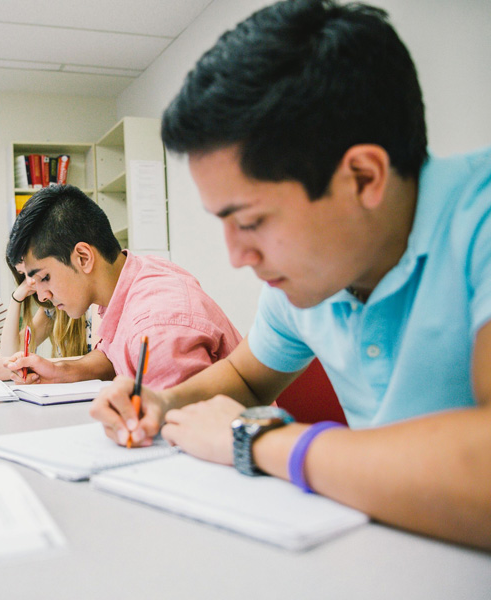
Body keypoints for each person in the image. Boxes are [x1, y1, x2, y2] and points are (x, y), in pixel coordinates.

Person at [89, 0, 491, 550]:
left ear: (363, 176)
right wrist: (162, 403)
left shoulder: (481, 220)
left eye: (251, 221)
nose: (236, 257)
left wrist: (255, 441)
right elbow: (246, 378)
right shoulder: (314, 274)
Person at [4, 184, 242, 389]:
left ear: (84, 258)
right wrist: (62, 371)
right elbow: (112, 356)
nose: (43, 296)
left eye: (44, 278)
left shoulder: (155, 327)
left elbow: (184, 431)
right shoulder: (132, 276)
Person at [0, 259, 91, 379]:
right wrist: (16, 298)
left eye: (31, 271)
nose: (30, 281)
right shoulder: (52, 309)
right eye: (23, 274)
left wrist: (32, 364)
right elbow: (8, 357)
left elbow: (102, 361)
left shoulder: (94, 302)